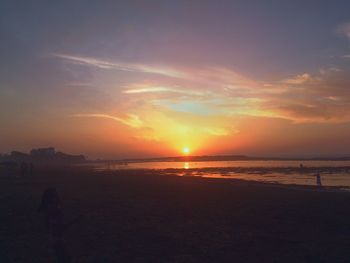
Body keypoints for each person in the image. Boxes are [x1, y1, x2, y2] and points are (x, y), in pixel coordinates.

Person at [38, 188, 71, 262]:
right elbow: (55, 225)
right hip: (56, 238)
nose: (58, 196)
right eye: (56, 195)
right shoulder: (53, 209)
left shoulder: (51, 209)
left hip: (54, 237)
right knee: (63, 257)